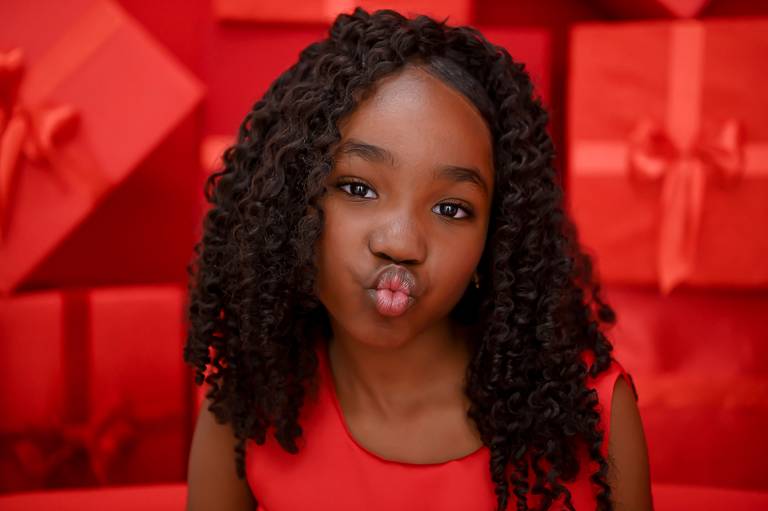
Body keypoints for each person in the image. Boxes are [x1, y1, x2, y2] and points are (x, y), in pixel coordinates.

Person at [184, 7, 653, 511]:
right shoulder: (248, 403)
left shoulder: (592, 413)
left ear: (494, 241)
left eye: (452, 209)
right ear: (290, 204)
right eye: (358, 188)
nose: (401, 243)